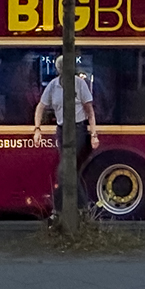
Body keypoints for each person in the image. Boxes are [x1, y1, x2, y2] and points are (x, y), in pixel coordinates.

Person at [31, 54, 100, 208]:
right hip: (61, 130)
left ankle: (59, 208)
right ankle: (81, 209)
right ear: (59, 70)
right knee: (70, 172)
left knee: (64, 170)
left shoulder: (80, 84)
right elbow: (40, 107)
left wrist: (94, 134)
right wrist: (37, 129)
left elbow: (90, 111)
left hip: (78, 129)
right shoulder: (53, 85)